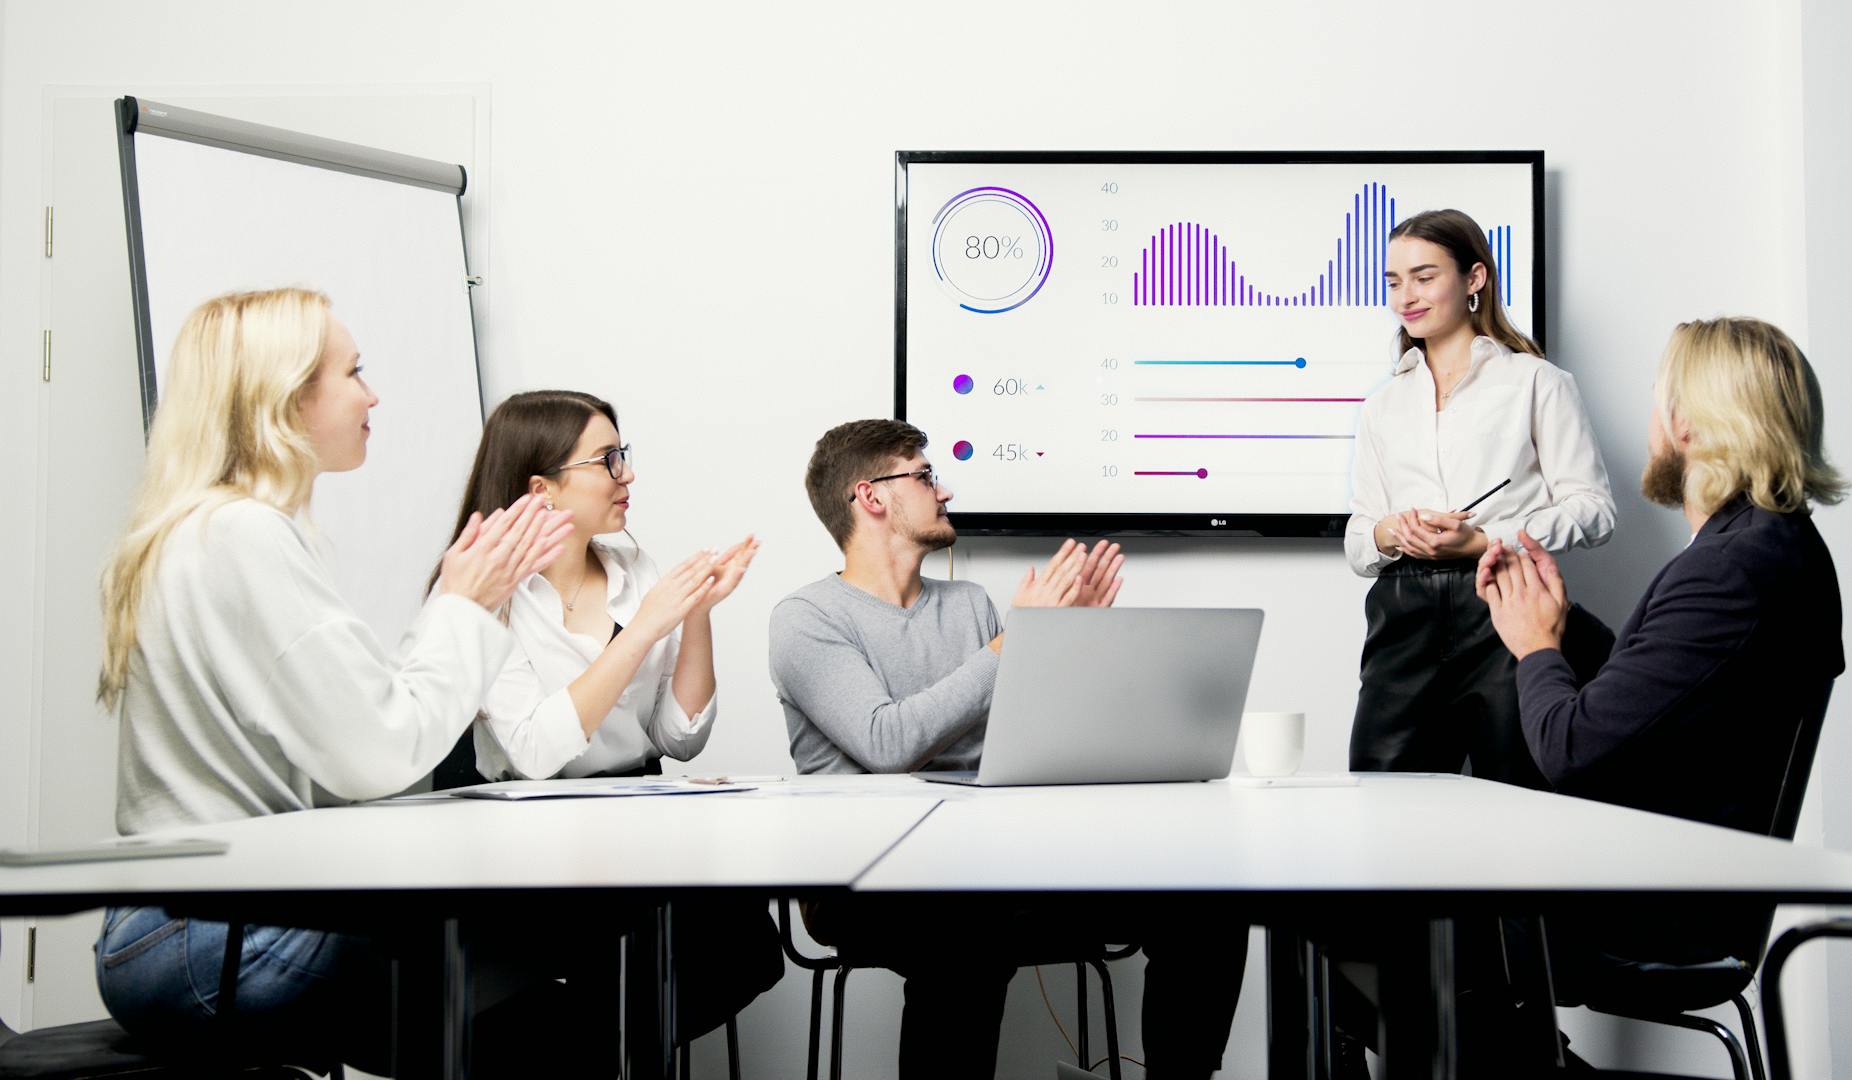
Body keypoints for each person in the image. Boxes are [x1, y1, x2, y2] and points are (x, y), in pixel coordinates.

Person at [93, 288, 572, 1070]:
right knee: (545, 957)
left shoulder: (203, 529)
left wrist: (461, 605)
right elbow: (378, 754)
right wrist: (464, 601)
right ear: (285, 399)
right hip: (203, 942)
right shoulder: (244, 535)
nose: (371, 393)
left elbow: (357, 735)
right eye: (352, 372)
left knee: (531, 976)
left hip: (168, 936)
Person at [769, 418, 1245, 1079]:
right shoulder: (806, 619)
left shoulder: (968, 604)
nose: (945, 491)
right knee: (965, 925)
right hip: (863, 878)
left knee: (1207, 891)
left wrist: (1067, 647)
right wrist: (1013, 643)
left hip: (996, 862)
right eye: (925, 475)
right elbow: (886, 742)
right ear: (871, 496)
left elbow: (1027, 745)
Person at [1476, 315, 1845, 987]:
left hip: (1657, 909)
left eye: (1656, 397)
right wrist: (1561, 625)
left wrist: (1534, 649)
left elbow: (1572, 750)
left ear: (1688, 424)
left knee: (1403, 908)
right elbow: (1664, 696)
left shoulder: (1729, 571)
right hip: (1691, 886)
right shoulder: (1775, 548)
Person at [432, 388, 783, 1056]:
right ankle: (603, 1051)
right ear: (543, 489)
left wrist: (696, 613)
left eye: (624, 455)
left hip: (637, 816)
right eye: (608, 460)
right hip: (529, 847)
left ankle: (602, 1051)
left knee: (745, 937)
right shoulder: (482, 590)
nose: (628, 476)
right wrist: (648, 624)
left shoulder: (631, 570)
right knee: (621, 946)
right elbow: (534, 750)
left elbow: (677, 736)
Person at [1344, 208, 1615, 787]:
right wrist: (1393, 531)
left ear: (1474, 279)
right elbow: (1359, 539)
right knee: (1379, 800)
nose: (1405, 297)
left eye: (1423, 276)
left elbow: (1594, 511)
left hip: (1505, 605)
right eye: (1394, 282)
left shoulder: (1536, 382)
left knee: (1522, 796)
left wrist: (1486, 540)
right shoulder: (1382, 405)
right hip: (1402, 615)